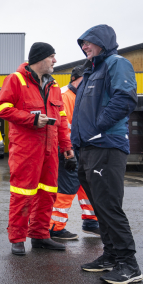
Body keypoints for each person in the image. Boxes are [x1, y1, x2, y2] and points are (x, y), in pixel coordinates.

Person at [72, 25, 141, 284]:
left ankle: (130, 265)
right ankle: (111, 255)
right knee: (100, 206)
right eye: (82, 44)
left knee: (110, 206)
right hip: (88, 148)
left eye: (88, 42)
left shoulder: (116, 63)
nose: (84, 47)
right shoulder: (92, 71)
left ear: (102, 41)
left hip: (107, 145)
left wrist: (100, 125)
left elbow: (125, 98)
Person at [0, 42, 74, 256]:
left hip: (51, 149)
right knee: (23, 193)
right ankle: (18, 239)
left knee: (48, 193)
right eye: (52, 57)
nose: (55, 61)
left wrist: (66, 146)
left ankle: (40, 236)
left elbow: (62, 119)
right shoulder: (16, 79)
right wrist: (32, 119)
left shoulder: (54, 85)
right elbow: (2, 108)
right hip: (26, 150)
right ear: (40, 59)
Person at [49, 63, 100, 240]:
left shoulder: (87, 96)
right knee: (68, 187)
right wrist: (66, 149)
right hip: (66, 149)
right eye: (85, 80)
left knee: (89, 185)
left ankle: (92, 222)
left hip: (83, 149)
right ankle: (55, 227)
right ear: (76, 80)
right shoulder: (63, 96)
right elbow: (60, 127)